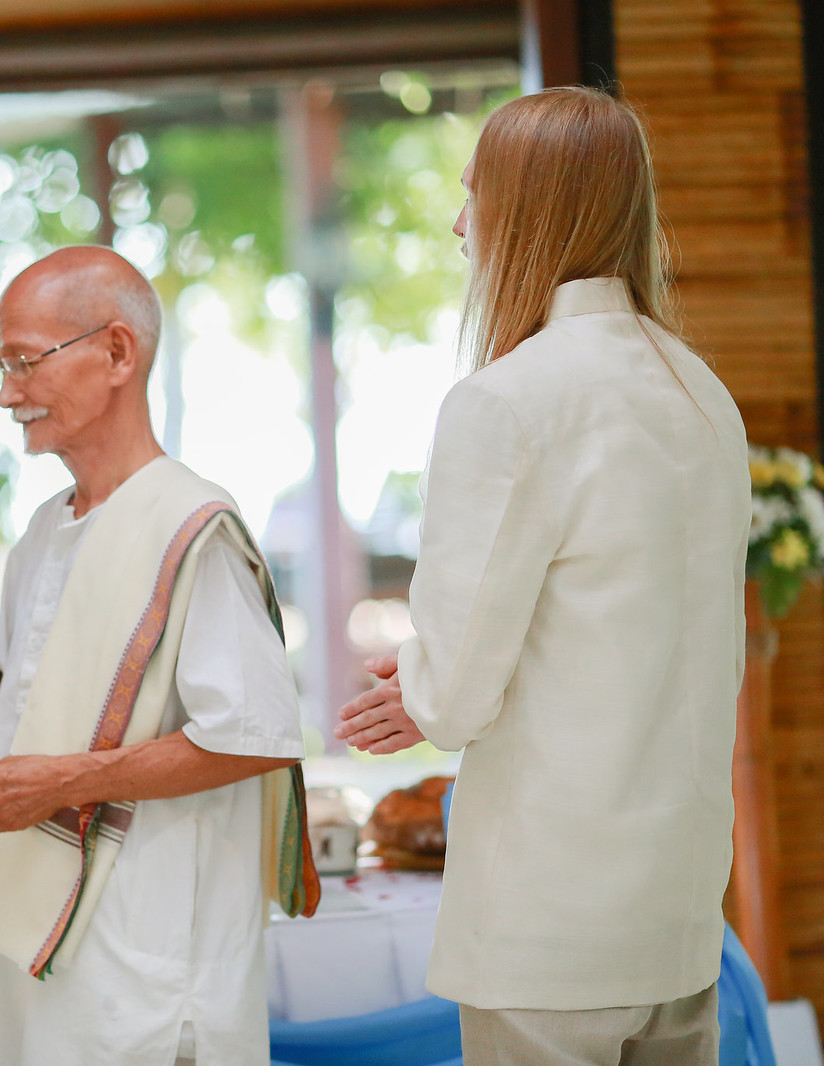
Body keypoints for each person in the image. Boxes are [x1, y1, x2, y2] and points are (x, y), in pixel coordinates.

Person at [334, 87, 749, 1065]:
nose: (456, 220)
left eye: (472, 191)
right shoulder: (705, 397)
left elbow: (456, 693)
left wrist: (424, 685)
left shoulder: (506, 402)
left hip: (548, 926)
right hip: (677, 910)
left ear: (527, 210)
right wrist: (438, 685)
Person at [0, 246, 319, 1066]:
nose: (5, 392)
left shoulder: (192, 526)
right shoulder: (45, 530)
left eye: (25, 361)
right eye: (1, 364)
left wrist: (64, 782)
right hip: (22, 926)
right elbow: (15, 716)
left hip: (144, 947)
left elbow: (251, 734)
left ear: (118, 353)